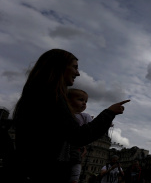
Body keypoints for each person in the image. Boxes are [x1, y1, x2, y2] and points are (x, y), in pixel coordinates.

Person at [12, 49, 130, 182]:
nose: (78, 73)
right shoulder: (52, 97)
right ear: (59, 67)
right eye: (74, 67)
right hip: (43, 173)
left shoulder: (36, 94)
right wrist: (109, 113)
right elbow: (78, 136)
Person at [67, 88, 94, 183]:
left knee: (75, 170)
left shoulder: (84, 116)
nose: (84, 103)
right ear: (68, 100)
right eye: (80, 100)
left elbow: (93, 128)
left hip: (76, 151)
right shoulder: (64, 115)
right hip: (64, 149)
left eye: (86, 101)